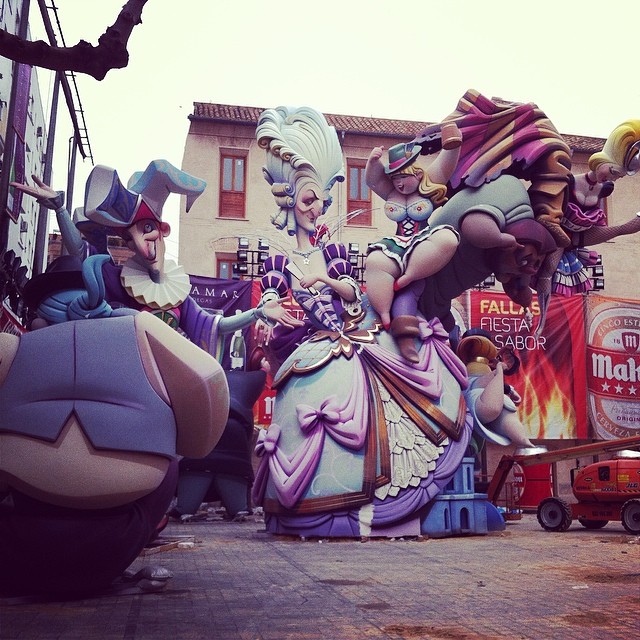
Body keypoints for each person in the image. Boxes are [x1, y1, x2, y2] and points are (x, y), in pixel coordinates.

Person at [251, 106, 473, 539]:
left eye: (321, 200)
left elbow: (353, 293)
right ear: (289, 200)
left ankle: (382, 504)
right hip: (314, 346)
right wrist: (269, 308)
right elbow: (272, 294)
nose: (317, 209)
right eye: (309, 200)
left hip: (353, 333)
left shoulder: (332, 252)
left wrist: (327, 282)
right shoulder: (280, 258)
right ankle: (330, 507)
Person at [0, 254, 229, 597]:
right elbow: (207, 381)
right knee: (168, 464)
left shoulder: (11, 348)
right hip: (113, 541)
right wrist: (183, 442)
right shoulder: (140, 333)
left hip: (20, 541)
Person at [12, 160, 302, 358]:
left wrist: (258, 312)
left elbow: (217, 325)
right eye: (130, 239)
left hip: (164, 376)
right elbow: (79, 252)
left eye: (147, 229)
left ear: (163, 229)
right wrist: (60, 209)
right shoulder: (117, 279)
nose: (141, 245)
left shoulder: (177, 294)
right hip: (121, 369)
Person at [412, 174, 558, 331]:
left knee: (442, 325)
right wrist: (500, 239)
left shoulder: (508, 252)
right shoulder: (508, 200)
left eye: (536, 264)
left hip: (439, 298)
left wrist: (521, 288)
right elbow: (471, 224)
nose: (529, 269)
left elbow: (516, 284)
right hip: (424, 278)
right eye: (524, 260)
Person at [534, 120, 640, 326]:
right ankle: (542, 321)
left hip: (581, 234)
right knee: (548, 270)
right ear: (603, 160)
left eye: (618, 176)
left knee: (623, 229)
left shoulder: (605, 189)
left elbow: (598, 222)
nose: (613, 179)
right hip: (560, 234)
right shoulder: (569, 181)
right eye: (613, 172)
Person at [364, 123, 462, 342]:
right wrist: (373, 162)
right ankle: (384, 314)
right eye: (395, 178)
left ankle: (409, 277)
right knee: (374, 260)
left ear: (417, 174)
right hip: (398, 244)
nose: (398, 183)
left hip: (422, 242)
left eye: (403, 177)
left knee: (447, 238)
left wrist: (453, 143)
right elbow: (372, 181)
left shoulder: (428, 185)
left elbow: (446, 163)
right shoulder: (391, 192)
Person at [455, 330, 537, 451]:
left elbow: (491, 383)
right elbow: (479, 382)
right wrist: (499, 371)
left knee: (505, 408)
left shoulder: (490, 371)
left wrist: (508, 387)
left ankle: (523, 439)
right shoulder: (462, 372)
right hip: (469, 401)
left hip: (482, 396)